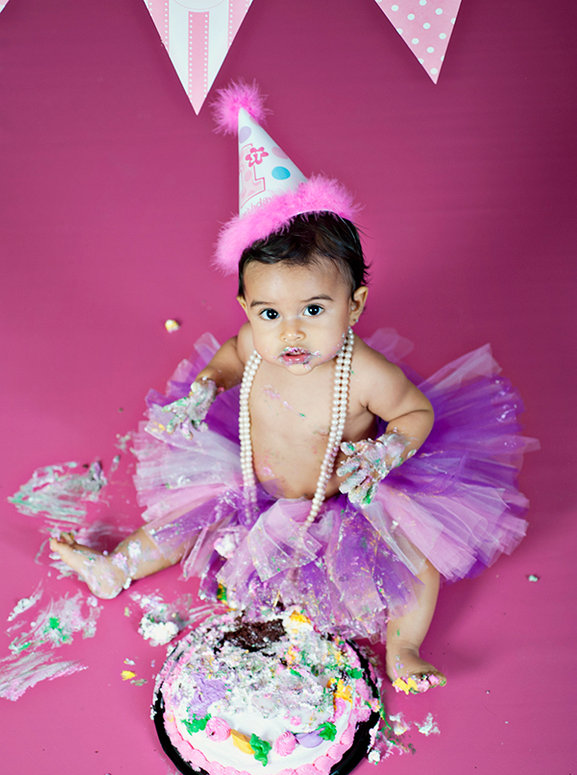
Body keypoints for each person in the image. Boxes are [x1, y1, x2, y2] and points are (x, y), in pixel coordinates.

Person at [49, 85, 535, 693]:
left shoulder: (363, 372)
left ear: (354, 305)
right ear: (246, 307)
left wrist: (387, 449)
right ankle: (115, 567)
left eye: (313, 308)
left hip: (340, 497)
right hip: (256, 477)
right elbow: (228, 358)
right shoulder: (255, 343)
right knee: (184, 519)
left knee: (416, 555)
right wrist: (206, 387)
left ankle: (404, 646)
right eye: (270, 314)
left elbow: (414, 411)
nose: (292, 331)